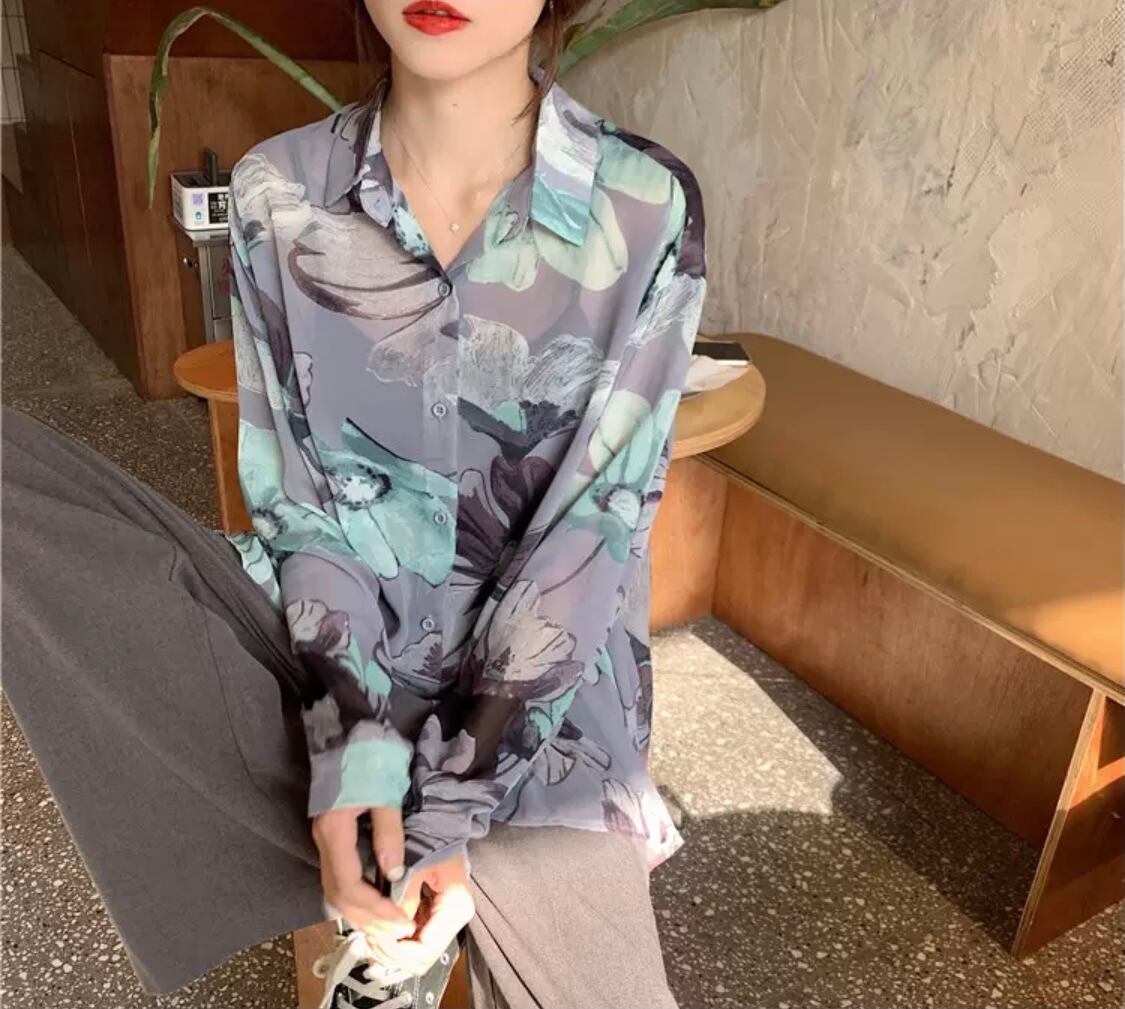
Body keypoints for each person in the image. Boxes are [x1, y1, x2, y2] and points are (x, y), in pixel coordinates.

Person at [1, 0, 707, 1005]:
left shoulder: (641, 202)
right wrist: (353, 751)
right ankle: (367, 869)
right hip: (329, 661)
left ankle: (395, 884)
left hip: (540, 714)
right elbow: (305, 508)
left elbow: (587, 540)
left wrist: (442, 815)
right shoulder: (277, 191)